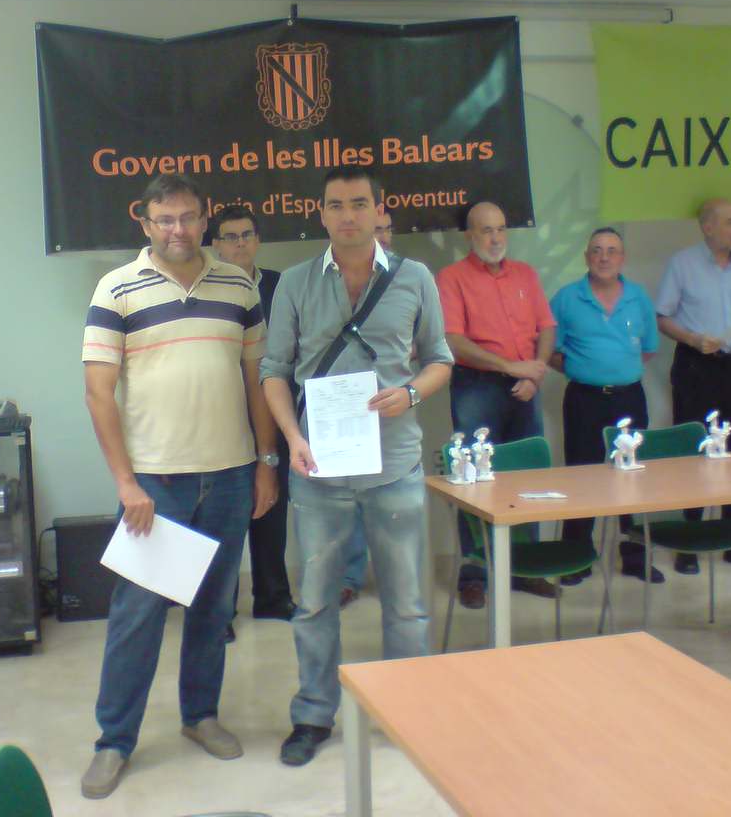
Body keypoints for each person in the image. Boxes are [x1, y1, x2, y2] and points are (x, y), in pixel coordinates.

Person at [79, 174, 279, 798]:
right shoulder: (117, 288)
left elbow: (257, 379)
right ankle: (114, 741)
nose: (178, 229)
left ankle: (200, 716)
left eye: (188, 217)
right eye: (165, 219)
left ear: (204, 218)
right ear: (145, 222)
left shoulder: (238, 285)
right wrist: (126, 482)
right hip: (156, 485)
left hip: (230, 475)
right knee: (138, 616)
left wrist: (265, 462)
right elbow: (98, 392)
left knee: (214, 609)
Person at [261, 165, 452, 767]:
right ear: (321, 214)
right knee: (315, 603)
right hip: (317, 469)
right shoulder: (295, 283)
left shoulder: (415, 278)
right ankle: (314, 714)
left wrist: (412, 394)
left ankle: (411, 713)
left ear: (378, 210)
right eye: (336, 205)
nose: (348, 215)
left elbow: (440, 359)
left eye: (359, 203)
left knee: (407, 602)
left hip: (393, 465)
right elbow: (274, 371)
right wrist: (292, 437)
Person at [436, 200, 557, 606]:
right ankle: (475, 574)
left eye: (501, 229)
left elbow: (547, 327)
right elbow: (453, 341)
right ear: (469, 235)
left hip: (525, 386)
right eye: (486, 230)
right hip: (478, 385)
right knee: (472, 477)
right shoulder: (452, 278)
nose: (495, 238)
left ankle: (524, 567)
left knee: (526, 476)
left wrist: (535, 371)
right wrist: (511, 367)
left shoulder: (525, 274)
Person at [655, 199, 731, 575]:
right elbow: (662, 316)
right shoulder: (682, 264)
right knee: (695, 450)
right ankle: (689, 540)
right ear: (707, 227)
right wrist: (693, 339)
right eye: (730, 222)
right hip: (698, 365)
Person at [550, 227, 661, 583]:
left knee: (632, 476)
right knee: (581, 476)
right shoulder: (567, 298)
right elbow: (548, 349)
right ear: (586, 257)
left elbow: (648, 348)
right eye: (597, 250)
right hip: (584, 399)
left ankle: (635, 557)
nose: (604, 257)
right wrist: (585, 369)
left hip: (629, 398)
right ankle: (576, 558)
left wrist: (618, 371)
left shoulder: (638, 297)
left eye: (612, 250)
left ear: (622, 258)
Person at [211, 204, 296, 625]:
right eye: (230, 236)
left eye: (246, 235)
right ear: (216, 245)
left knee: (272, 508)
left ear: (258, 240)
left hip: (276, 412)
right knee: (222, 519)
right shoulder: (207, 291)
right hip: (223, 418)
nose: (240, 243)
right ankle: (220, 611)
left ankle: (273, 598)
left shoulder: (282, 286)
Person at [339, 209, 395, 606]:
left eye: (387, 230)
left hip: (394, 409)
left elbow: (428, 346)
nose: (382, 237)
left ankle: (394, 576)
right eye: (376, 230)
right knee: (351, 496)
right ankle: (349, 576)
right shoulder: (332, 279)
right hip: (345, 407)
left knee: (391, 497)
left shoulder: (410, 278)